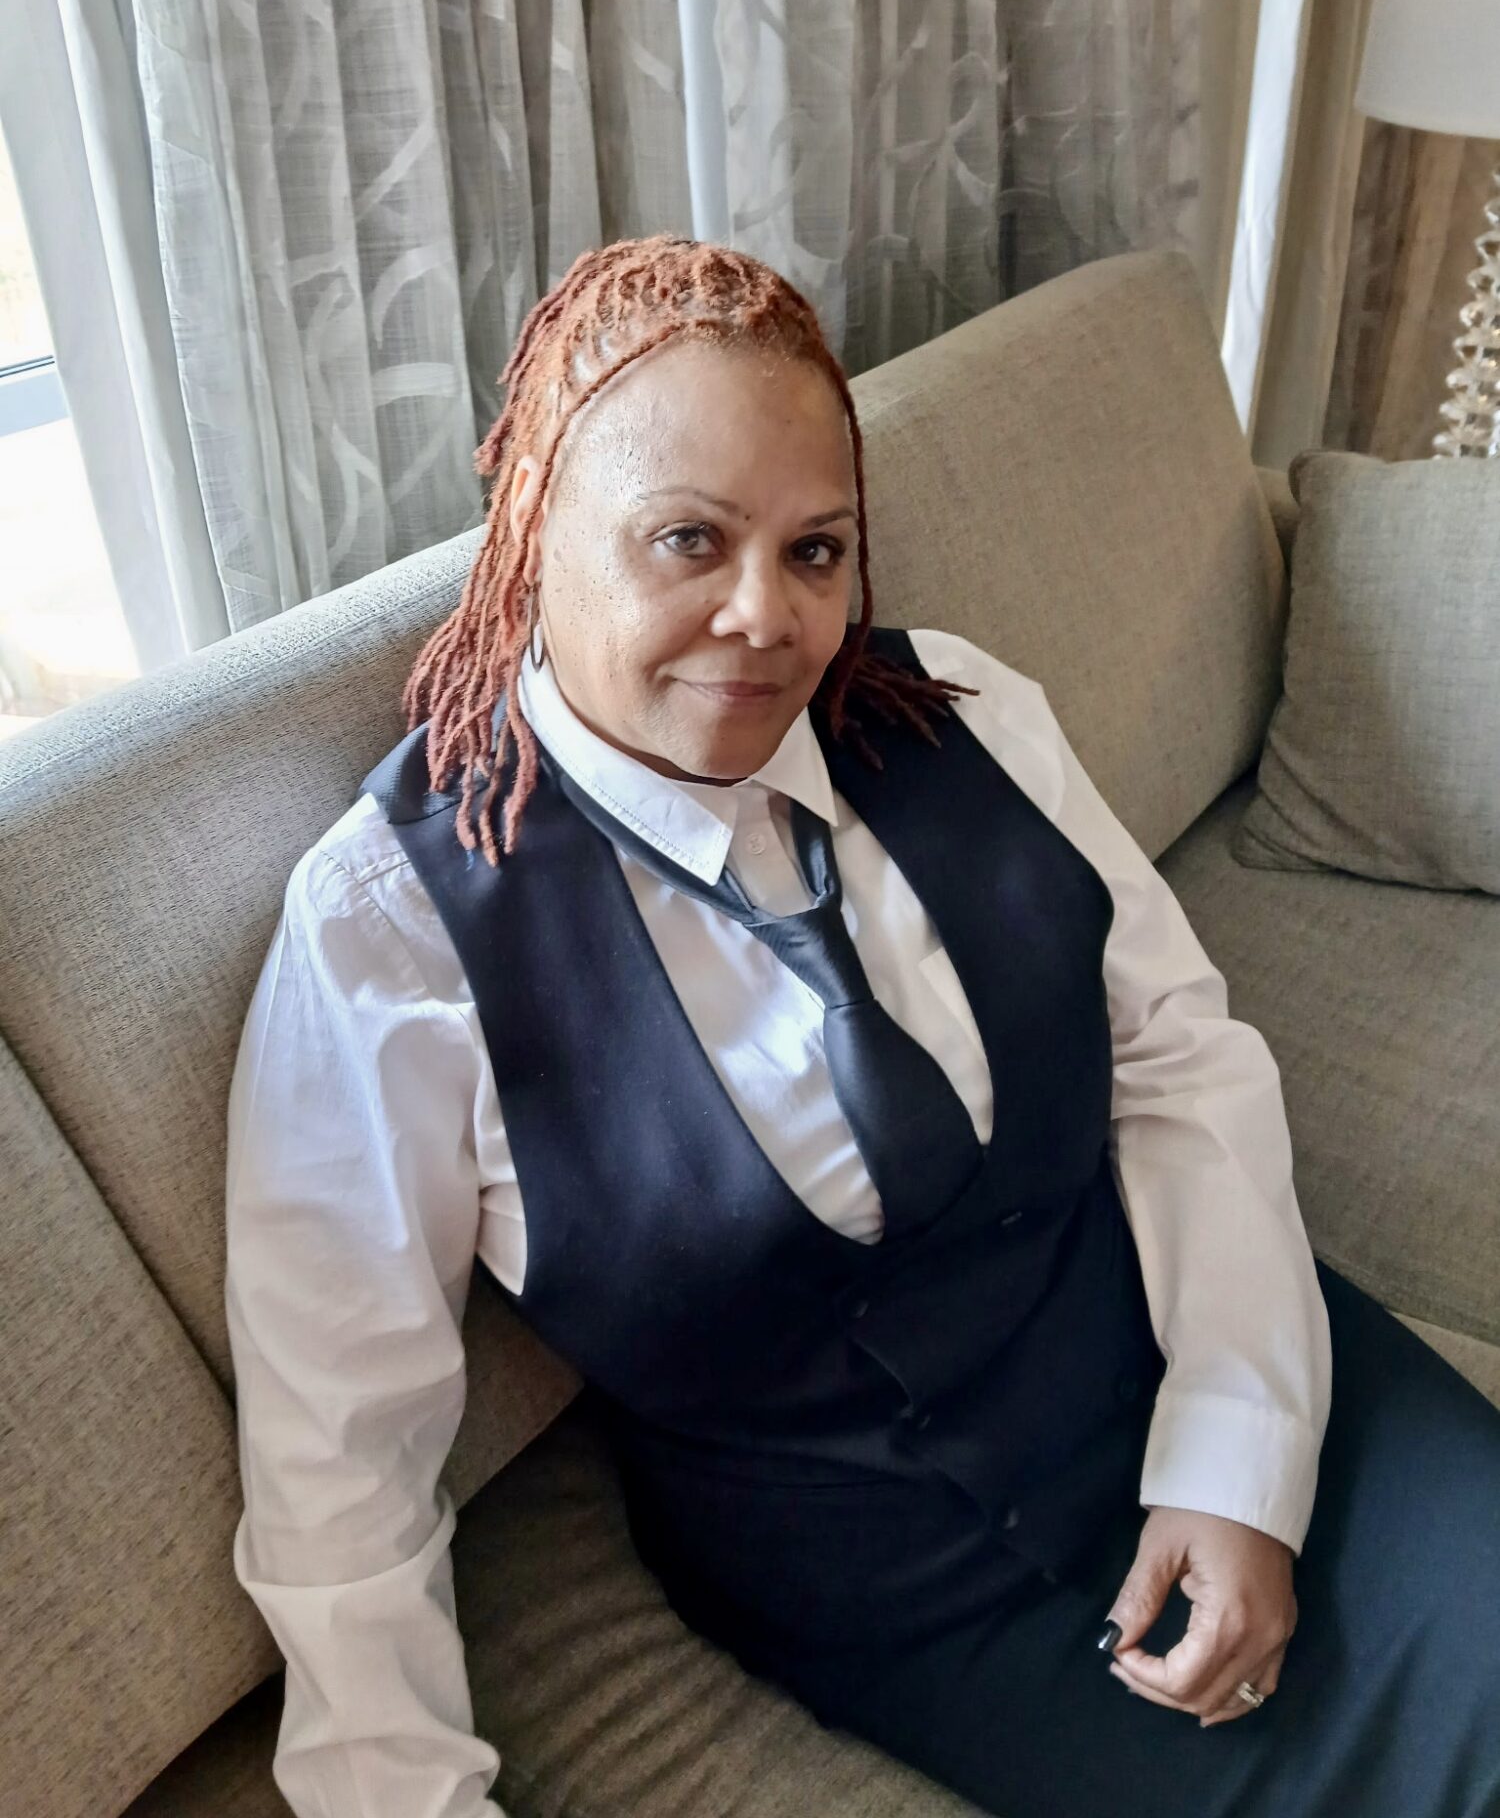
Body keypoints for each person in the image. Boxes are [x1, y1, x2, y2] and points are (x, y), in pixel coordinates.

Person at [225, 234, 1500, 1818]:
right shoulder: (391, 931)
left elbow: (1178, 1054)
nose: (767, 617)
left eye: (815, 551)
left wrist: (1242, 1453)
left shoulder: (953, 709)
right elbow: (340, 1464)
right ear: (535, 528)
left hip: (1218, 1346)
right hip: (915, 1585)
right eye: (688, 540)